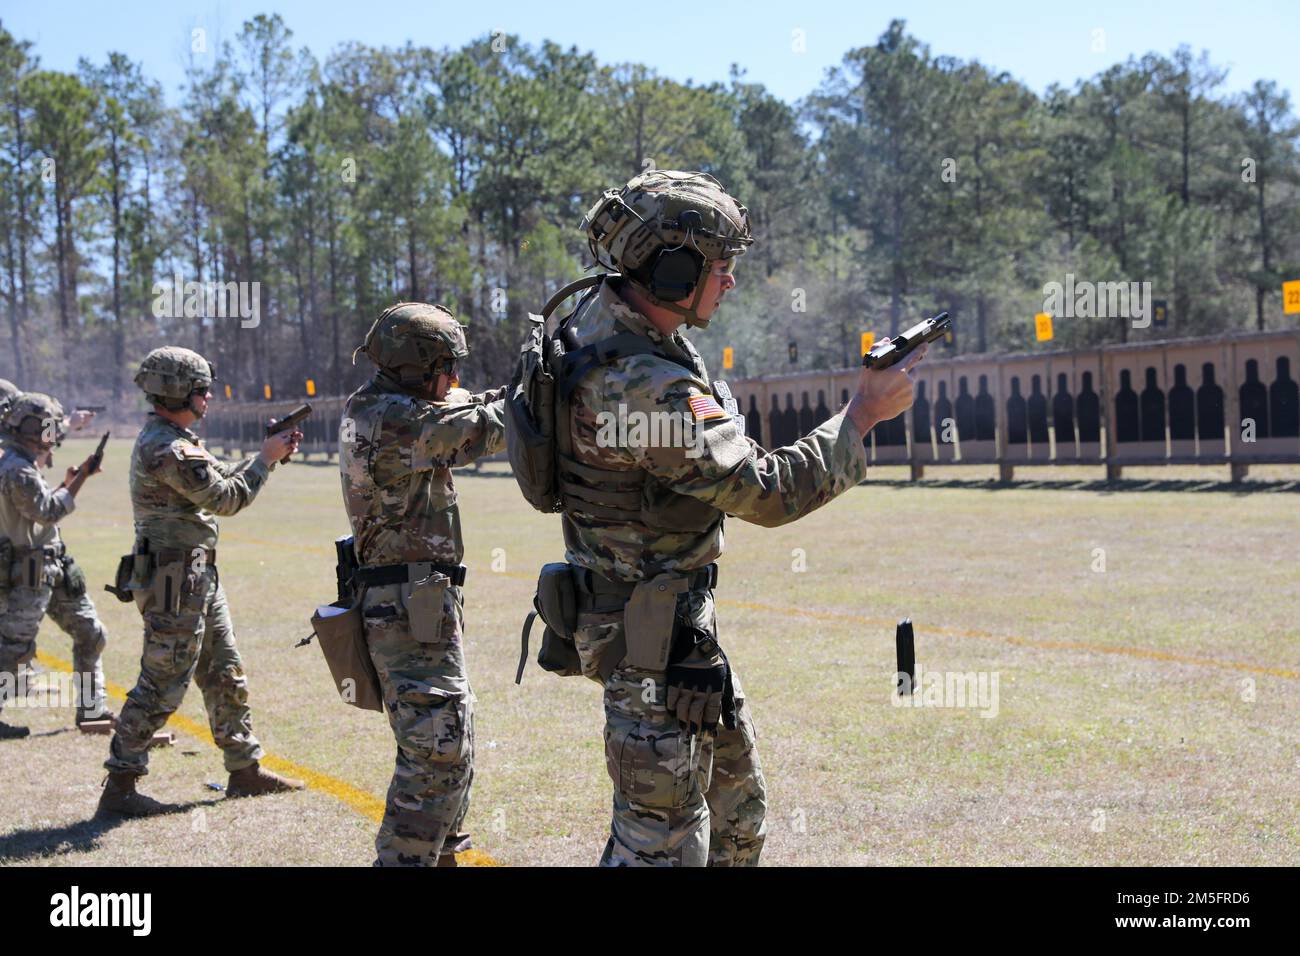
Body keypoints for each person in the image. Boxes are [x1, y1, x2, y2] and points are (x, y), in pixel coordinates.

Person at [545, 169, 924, 865]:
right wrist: (864, 413)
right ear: (673, 270)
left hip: (667, 629)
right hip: (649, 645)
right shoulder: (644, 385)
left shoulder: (597, 328)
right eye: (720, 267)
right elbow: (767, 491)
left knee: (738, 811)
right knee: (655, 845)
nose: (731, 282)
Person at [98, 347, 306, 816]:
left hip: (193, 575)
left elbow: (214, 483)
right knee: (162, 682)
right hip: (175, 580)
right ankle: (120, 786)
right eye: (199, 390)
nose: (208, 396)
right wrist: (265, 461)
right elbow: (227, 500)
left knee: (223, 669)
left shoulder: (175, 438)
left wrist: (264, 456)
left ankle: (244, 769)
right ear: (178, 393)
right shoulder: (167, 446)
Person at [340, 303, 505, 866]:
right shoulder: (391, 417)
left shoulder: (386, 405)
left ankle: (444, 854)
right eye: (446, 366)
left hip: (419, 601)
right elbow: (481, 432)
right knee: (436, 751)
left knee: (449, 738)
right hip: (405, 606)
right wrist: (538, 396)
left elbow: (462, 409)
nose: (454, 378)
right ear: (416, 368)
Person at [0, 394, 109, 739]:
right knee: (13, 648)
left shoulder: (24, 463)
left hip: (49, 565)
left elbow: (39, 511)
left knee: (91, 632)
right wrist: (81, 479)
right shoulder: (17, 468)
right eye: (50, 426)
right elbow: (47, 512)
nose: (55, 433)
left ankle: (93, 710)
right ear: (35, 429)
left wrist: (68, 482)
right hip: (27, 571)